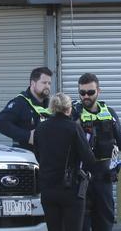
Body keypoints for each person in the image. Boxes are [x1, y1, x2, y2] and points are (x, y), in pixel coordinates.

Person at [72, 73, 121, 231]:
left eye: (90, 92)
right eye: (82, 92)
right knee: (80, 225)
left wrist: (112, 125)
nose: (86, 96)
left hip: (104, 179)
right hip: (80, 180)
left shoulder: (109, 113)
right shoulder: (73, 113)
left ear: (99, 91)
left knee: (104, 224)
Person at [35, 93, 96, 231]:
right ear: (69, 109)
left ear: (51, 108)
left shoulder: (40, 128)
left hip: (47, 188)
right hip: (70, 188)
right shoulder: (74, 128)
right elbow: (89, 159)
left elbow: (38, 155)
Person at [0, 67, 52, 151]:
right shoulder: (20, 103)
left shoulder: (51, 105)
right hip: (26, 156)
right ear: (33, 83)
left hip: (48, 157)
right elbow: (0, 123)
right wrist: (28, 136)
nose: (47, 86)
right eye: (44, 83)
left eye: (49, 83)